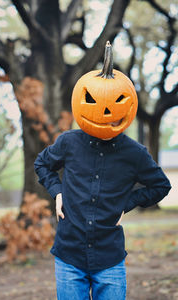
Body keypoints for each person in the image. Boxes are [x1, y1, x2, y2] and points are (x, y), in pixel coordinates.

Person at [34, 42, 171, 300]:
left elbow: (161, 185)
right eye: (93, 101)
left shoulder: (135, 153)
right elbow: (42, 163)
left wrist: (126, 204)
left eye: (117, 102)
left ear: (128, 105)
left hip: (109, 259)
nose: (106, 112)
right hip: (68, 256)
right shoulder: (68, 142)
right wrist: (58, 192)